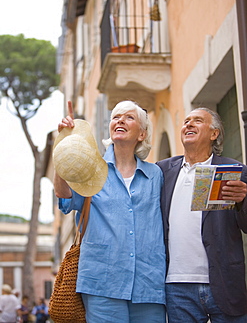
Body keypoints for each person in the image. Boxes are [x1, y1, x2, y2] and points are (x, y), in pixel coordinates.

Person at [53, 100, 166, 323]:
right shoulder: (91, 170)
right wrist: (64, 145)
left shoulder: (156, 175)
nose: (120, 120)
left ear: (142, 134)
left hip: (148, 284)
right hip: (101, 282)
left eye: (129, 117)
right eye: (115, 117)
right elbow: (64, 195)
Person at [156, 107, 247, 322]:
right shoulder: (162, 171)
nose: (188, 124)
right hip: (177, 286)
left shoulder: (235, 170)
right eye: (186, 121)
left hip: (224, 281)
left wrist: (244, 200)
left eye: (197, 121)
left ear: (214, 134)